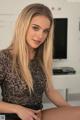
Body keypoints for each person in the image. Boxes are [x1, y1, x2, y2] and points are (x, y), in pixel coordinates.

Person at [0, 3, 80, 120]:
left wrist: (70, 111)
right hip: (13, 115)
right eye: (35, 28)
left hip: (37, 114)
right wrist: (19, 109)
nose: (40, 36)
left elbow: (50, 91)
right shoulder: (4, 58)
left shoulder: (42, 58)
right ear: (23, 25)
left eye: (45, 31)